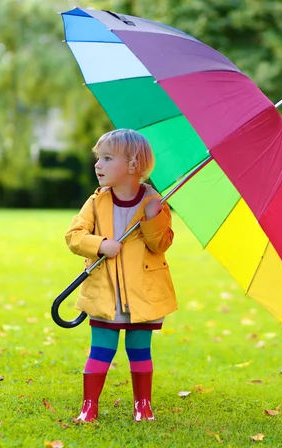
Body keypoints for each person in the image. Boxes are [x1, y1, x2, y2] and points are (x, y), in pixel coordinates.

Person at [65, 129, 177, 422]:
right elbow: (74, 236)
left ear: (133, 164)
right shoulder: (96, 202)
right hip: (106, 291)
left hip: (142, 294)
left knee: (139, 349)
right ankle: (89, 406)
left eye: (107, 158)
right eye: (98, 158)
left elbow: (161, 244)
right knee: (101, 347)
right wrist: (100, 244)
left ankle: (143, 406)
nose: (97, 165)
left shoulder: (154, 202)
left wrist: (154, 217)